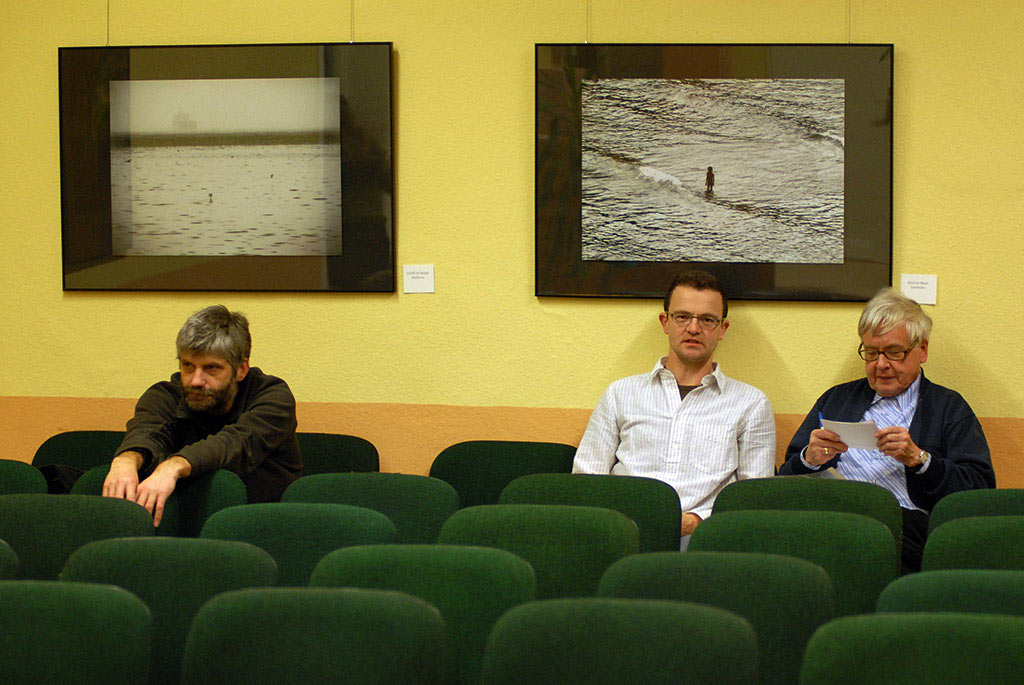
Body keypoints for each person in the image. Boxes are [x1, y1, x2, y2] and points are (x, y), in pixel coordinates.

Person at [779, 287, 995, 573]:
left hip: (904, 530)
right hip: (830, 520)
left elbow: (979, 492)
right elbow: (784, 478)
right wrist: (810, 459)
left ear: (922, 350)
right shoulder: (836, 400)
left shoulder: (948, 408)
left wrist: (919, 460)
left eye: (894, 353)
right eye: (871, 353)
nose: (881, 365)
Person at [572, 270, 776, 544]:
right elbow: (587, 479)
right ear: (665, 322)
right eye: (682, 316)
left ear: (722, 329)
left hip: (704, 538)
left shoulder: (751, 404)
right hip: (623, 532)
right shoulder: (620, 394)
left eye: (707, 320)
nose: (693, 328)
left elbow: (753, 497)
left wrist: (698, 521)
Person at [103, 305, 302, 525]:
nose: (195, 380)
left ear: (241, 370)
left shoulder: (274, 397)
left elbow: (235, 443)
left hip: (261, 525)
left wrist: (173, 466)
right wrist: (127, 459)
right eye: (187, 365)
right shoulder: (165, 395)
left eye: (211, 368)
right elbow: (147, 431)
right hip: (182, 526)